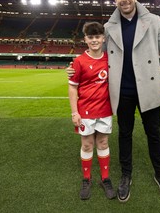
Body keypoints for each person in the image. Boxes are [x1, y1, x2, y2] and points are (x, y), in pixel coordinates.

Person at [67, 0, 160, 202]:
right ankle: (125, 176)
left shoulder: (154, 21)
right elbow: (97, 53)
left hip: (149, 88)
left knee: (154, 134)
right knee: (125, 135)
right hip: (123, 91)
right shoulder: (109, 28)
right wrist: (74, 68)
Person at [68, 22, 116, 200]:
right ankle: (86, 179)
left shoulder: (110, 59)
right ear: (85, 39)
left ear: (103, 38)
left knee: (103, 143)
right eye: (91, 37)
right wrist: (74, 112)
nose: (94, 40)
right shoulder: (79, 61)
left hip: (104, 111)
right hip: (85, 112)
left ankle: (105, 179)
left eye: (97, 37)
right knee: (87, 144)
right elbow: (72, 88)